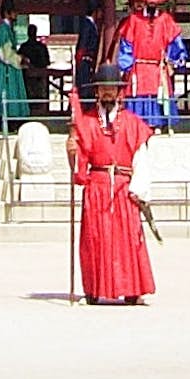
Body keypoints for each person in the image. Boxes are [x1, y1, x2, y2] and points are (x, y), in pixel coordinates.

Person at [67, 62, 155, 305]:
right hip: (96, 187)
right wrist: (72, 153)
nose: (107, 93)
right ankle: (95, 289)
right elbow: (80, 164)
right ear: (97, 92)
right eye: (103, 88)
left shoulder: (133, 123)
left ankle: (132, 289)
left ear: (120, 92)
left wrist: (139, 189)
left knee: (127, 239)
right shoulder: (86, 123)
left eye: (112, 89)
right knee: (96, 239)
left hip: (123, 189)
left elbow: (141, 157)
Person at [116, 0, 187, 128]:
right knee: (138, 95)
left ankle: (159, 124)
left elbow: (176, 43)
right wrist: (126, 66)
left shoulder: (167, 20)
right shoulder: (133, 21)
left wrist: (176, 59)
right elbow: (126, 46)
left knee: (159, 94)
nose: (152, 5)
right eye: (150, 2)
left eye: (155, 3)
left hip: (158, 68)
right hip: (138, 68)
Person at [0, 0, 29, 128]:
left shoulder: (9, 28)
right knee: (7, 92)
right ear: (7, 13)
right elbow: (4, 53)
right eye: (13, 12)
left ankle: (12, 121)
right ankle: (5, 122)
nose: (16, 14)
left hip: (11, 66)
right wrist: (19, 60)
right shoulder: (3, 30)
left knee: (12, 92)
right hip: (7, 67)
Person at [75, 0, 103, 108]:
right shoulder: (87, 24)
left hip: (89, 60)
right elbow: (83, 44)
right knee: (85, 86)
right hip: (85, 60)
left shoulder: (92, 24)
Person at [19, 23, 51, 113]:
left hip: (28, 76)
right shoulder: (42, 47)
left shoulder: (24, 47)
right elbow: (47, 61)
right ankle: (42, 110)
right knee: (40, 95)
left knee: (29, 94)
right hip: (40, 76)